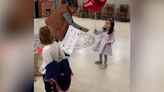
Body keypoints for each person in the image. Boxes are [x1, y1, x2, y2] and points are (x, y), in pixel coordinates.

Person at [39, 26, 66, 92]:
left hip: (48, 74)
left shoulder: (46, 49)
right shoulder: (56, 43)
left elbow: (50, 65)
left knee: (48, 89)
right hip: (57, 71)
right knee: (56, 88)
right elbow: (63, 56)